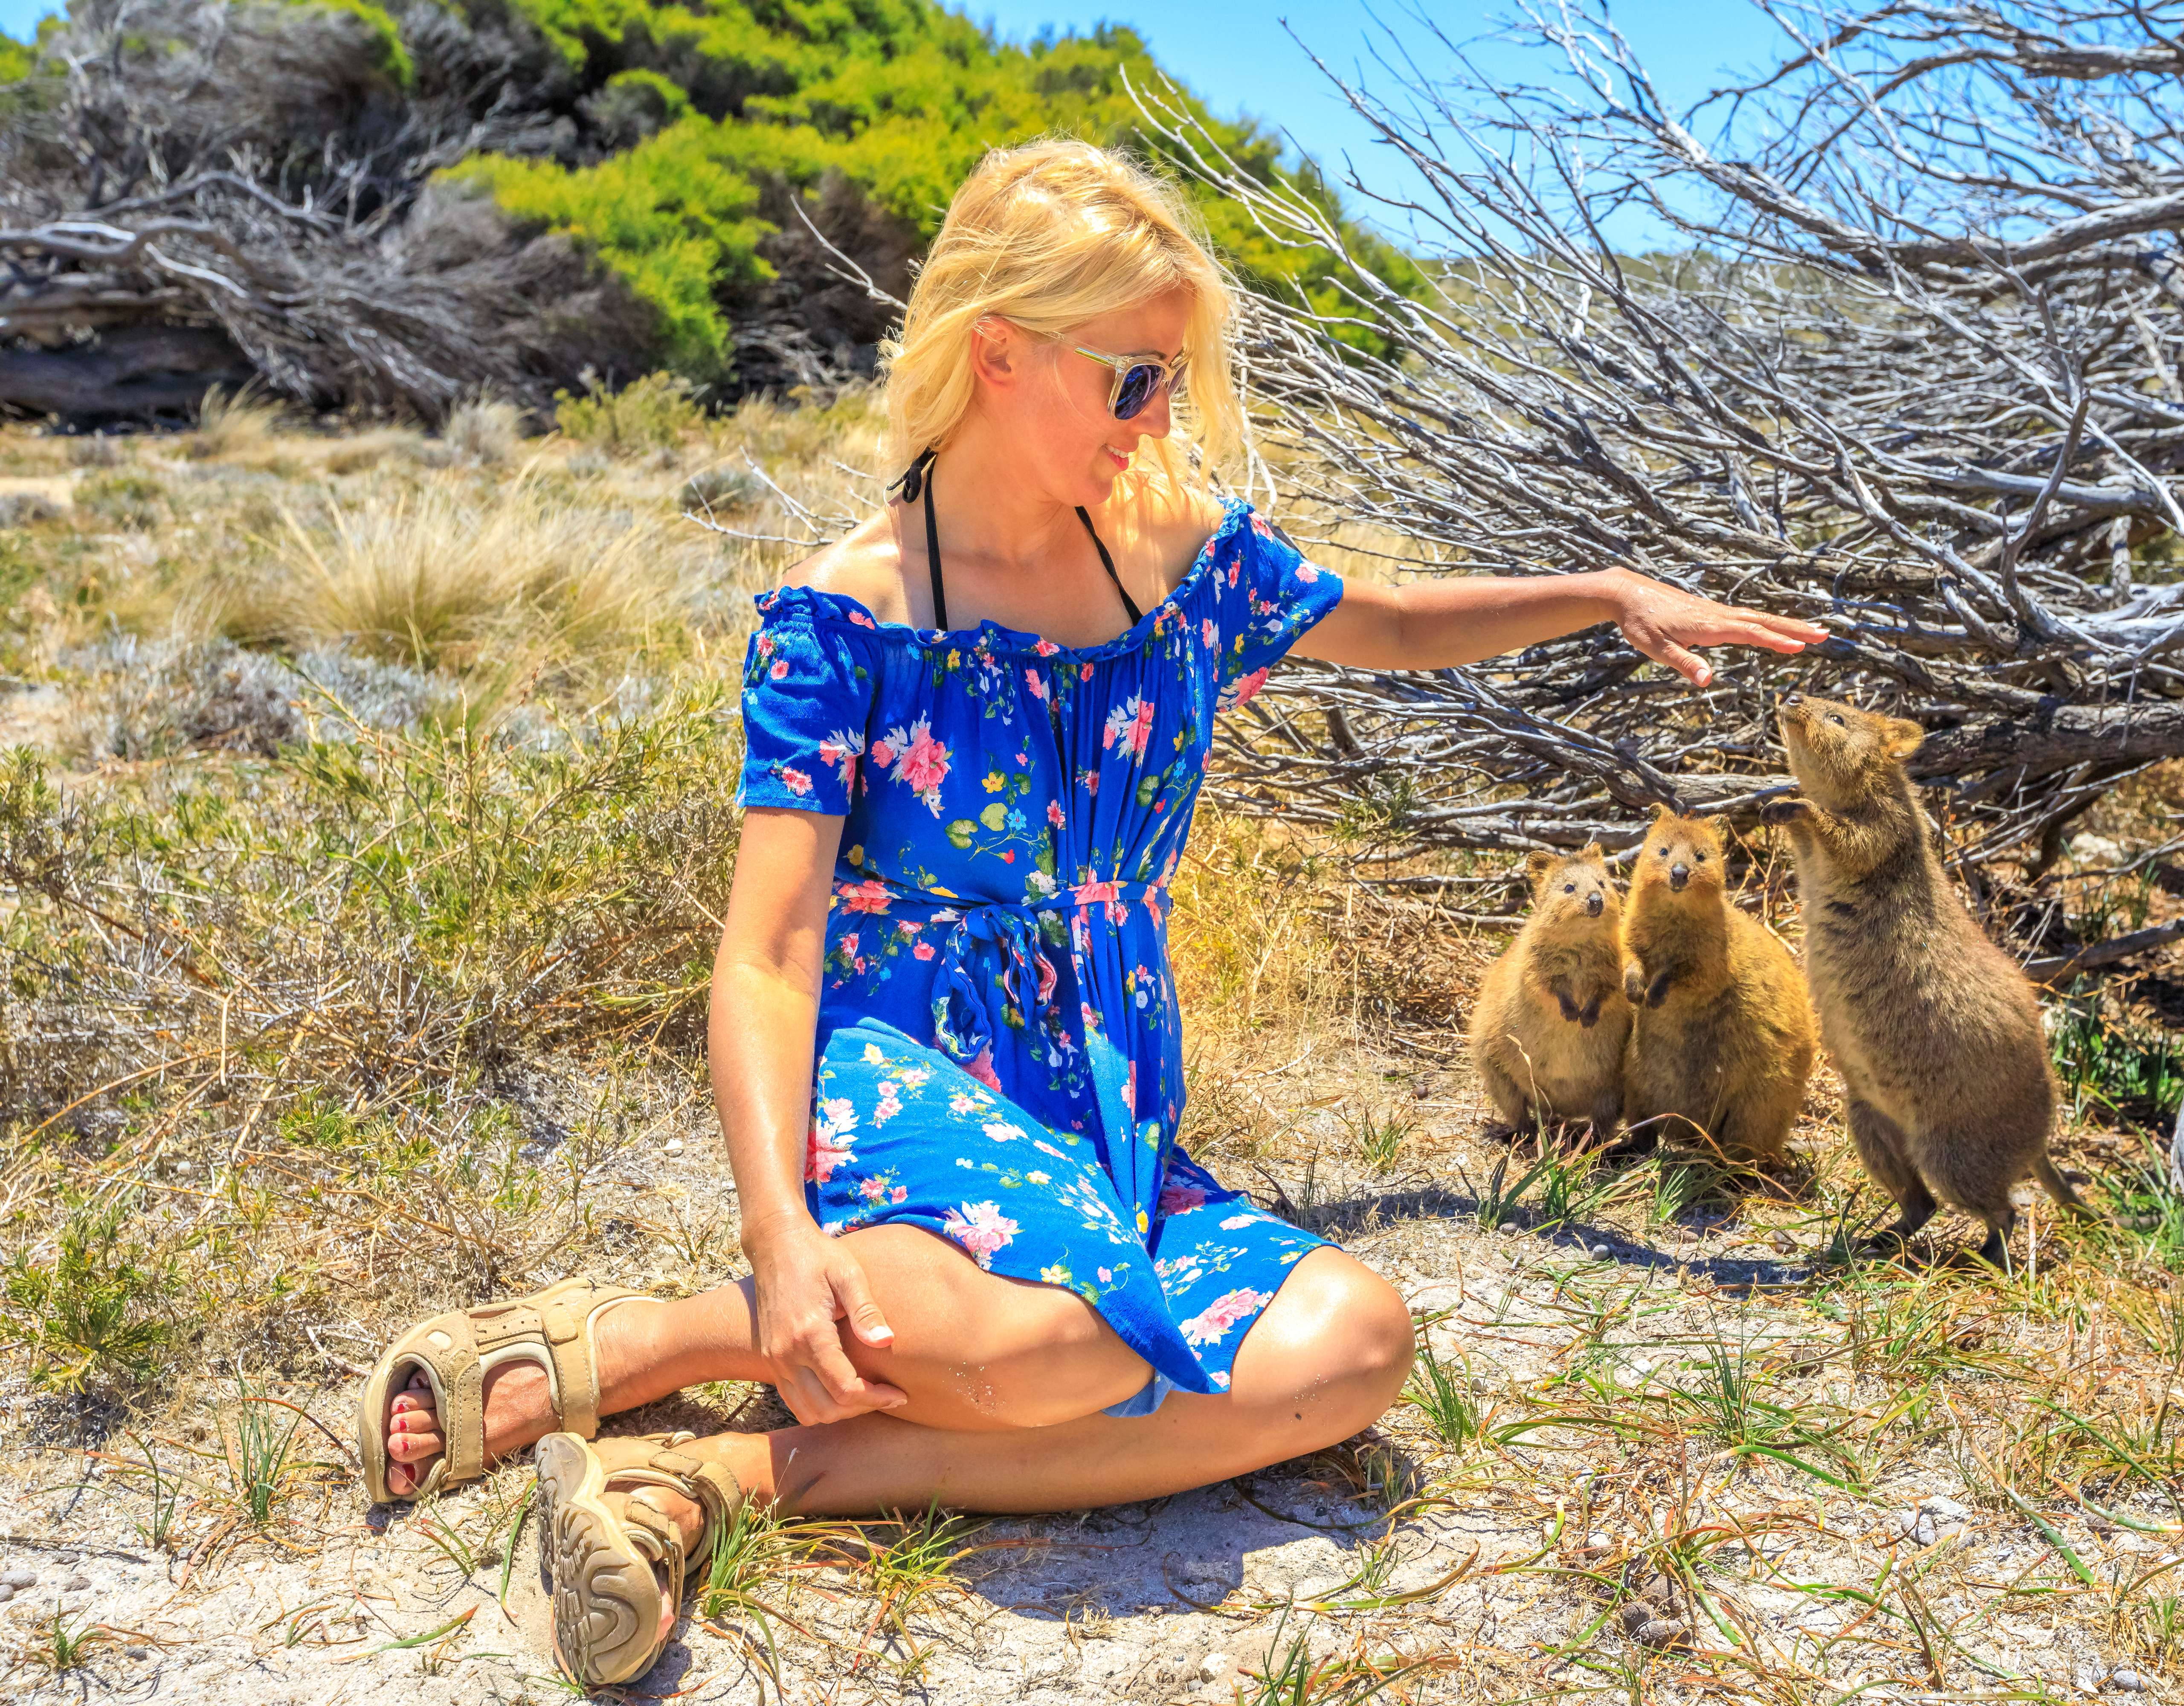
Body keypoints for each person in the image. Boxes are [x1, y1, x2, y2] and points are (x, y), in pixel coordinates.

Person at [355, 137, 1827, 1686]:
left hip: (1099, 1090)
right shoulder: (843, 618)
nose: (1163, 418)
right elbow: (768, 954)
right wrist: (779, 1239)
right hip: (895, 1066)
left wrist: (1605, 591)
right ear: (998, 352)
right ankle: (676, 1338)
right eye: (1132, 378)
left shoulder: (1182, 563)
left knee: (1356, 1349)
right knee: (1069, 1343)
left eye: (1175, 381)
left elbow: (1385, 622)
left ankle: (721, 1476)